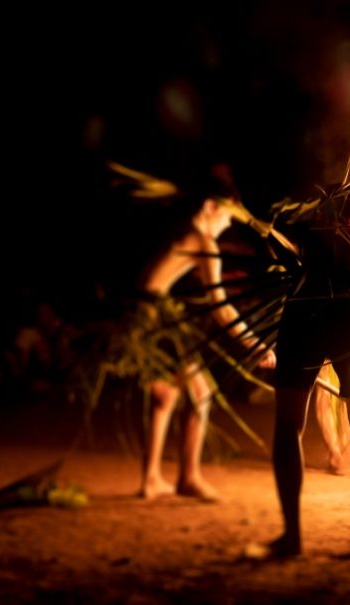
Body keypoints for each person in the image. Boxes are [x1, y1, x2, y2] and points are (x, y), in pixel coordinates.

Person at [249, 189, 350, 558]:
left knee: (288, 425)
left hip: (304, 314)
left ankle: (292, 535)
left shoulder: (305, 234)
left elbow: (273, 247)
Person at [137, 183, 275, 501]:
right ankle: (188, 477)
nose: (227, 225)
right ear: (210, 208)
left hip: (144, 318)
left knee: (166, 397)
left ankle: (152, 479)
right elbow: (221, 307)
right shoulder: (204, 241)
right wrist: (253, 342)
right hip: (157, 321)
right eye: (227, 217)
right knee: (201, 392)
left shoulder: (182, 231)